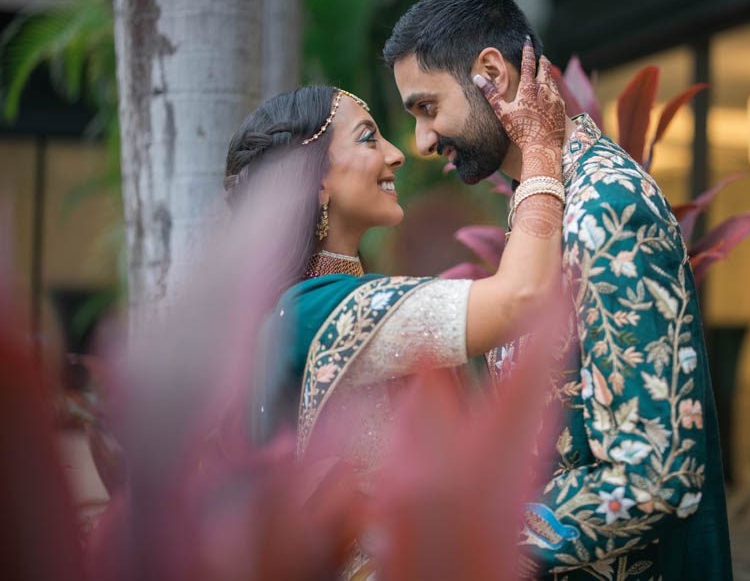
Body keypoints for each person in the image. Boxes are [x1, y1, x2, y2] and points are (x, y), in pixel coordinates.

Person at [384, 0, 733, 580]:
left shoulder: (606, 206)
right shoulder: (545, 205)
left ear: (490, 73)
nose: (422, 141)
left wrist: (472, 532)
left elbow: (652, 475)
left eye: (427, 108)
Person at [222, 45, 564, 472]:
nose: (397, 154)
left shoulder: (324, 302)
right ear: (315, 182)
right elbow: (520, 297)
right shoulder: (310, 311)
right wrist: (540, 151)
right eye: (368, 138)